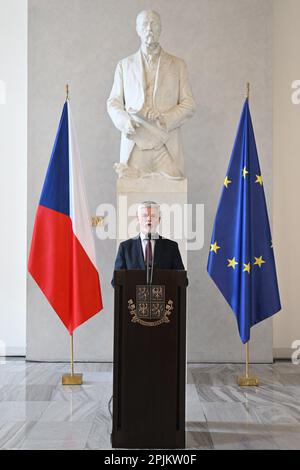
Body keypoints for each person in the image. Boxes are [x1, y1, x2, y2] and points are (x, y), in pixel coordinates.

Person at [107, 9, 196, 178]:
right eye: (144, 24)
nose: (149, 28)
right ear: (137, 29)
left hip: (166, 146)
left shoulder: (178, 65)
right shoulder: (124, 65)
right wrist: (125, 122)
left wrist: (165, 118)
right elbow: (113, 102)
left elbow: (189, 104)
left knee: (172, 200)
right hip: (135, 146)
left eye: (153, 24)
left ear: (160, 29)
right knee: (132, 200)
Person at [112, 201, 185, 285]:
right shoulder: (125, 248)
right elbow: (116, 281)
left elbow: (182, 280)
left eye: (153, 216)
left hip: (163, 296)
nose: (149, 219)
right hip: (132, 297)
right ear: (138, 219)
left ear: (159, 220)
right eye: (145, 215)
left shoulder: (171, 247)